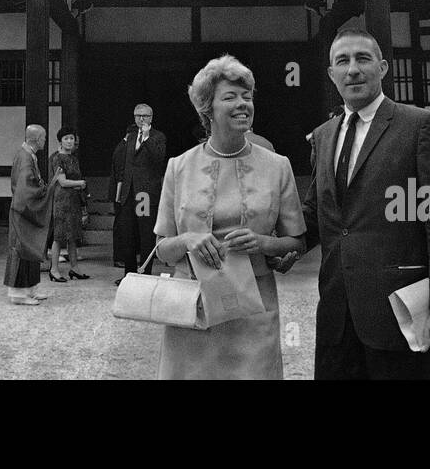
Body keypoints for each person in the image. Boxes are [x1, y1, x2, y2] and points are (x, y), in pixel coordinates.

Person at [299, 20, 430, 379]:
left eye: (363, 58)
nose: (353, 69)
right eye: (342, 61)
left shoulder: (419, 126)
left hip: (400, 312)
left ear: (382, 67)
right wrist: (278, 244)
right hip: (337, 316)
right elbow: (318, 215)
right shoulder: (324, 135)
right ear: (331, 74)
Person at [153, 55, 305, 379]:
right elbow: (163, 250)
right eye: (230, 97)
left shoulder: (279, 166)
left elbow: (297, 242)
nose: (242, 104)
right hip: (191, 309)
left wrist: (263, 243)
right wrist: (187, 239)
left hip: (254, 311)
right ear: (207, 109)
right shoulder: (178, 167)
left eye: (247, 97)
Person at [111, 103, 167, 284]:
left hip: (145, 194)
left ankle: (145, 274)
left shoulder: (157, 137)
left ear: (151, 117)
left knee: (145, 235)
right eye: (137, 116)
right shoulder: (130, 137)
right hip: (128, 192)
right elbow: (122, 163)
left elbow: (159, 160)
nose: (141, 119)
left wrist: (147, 137)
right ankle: (129, 275)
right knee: (127, 235)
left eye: (144, 116)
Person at [5, 124, 54, 305]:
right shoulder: (25, 158)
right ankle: (19, 294)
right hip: (23, 210)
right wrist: (43, 190)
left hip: (24, 208)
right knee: (21, 248)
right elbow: (26, 188)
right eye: (44, 138)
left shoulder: (26, 154)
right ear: (36, 139)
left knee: (31, 246)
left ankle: (30, 289)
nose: (45, 141)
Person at [49, 126, 89, 282]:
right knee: (59, 236)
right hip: (62, 200)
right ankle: (54, 269)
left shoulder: (73, 158)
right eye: (66, 138)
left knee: (73, 236)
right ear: (60, 141)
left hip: (73, 200)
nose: (69, 141)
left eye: (72, 138)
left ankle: (74, 267)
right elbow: (63, 182)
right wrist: (80, 183)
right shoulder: (57, 158)